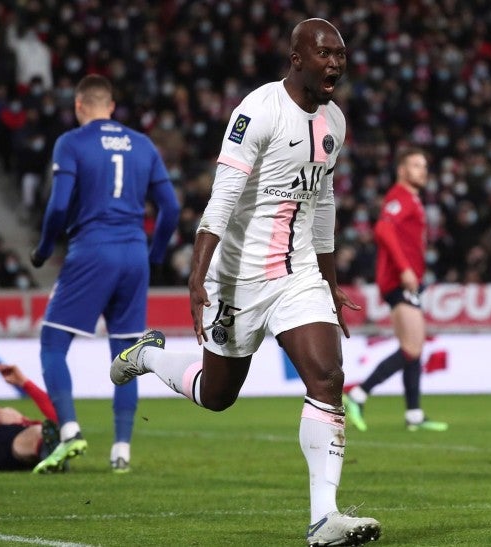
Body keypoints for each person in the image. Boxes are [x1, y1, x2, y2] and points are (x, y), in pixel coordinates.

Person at [110, 18, 380, 547]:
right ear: (296, 57)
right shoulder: (258, 111)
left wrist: (327, 279)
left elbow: (321, 201)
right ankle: (145, 356)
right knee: (217, 395)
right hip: (237, 276)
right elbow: (223, 196)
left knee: (327, 376)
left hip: (296, 272)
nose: (335, 64)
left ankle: (324, 520)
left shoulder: (336, 122)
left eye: (341, 55)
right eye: (324, 54)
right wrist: (196, 275)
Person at [29, 74, 180, 474]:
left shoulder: (72, 142)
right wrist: (157, 255)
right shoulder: (143, 144)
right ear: (111, 106)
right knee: (127, 356)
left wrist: (45, 248)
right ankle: (121, 452)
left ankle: (70, 431)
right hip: (134, 255)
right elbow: (171, 208)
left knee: (52, 342)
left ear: (79, 106)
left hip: (92, 250)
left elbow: (59, 207)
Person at [343, 148, 448, 433]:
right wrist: (404, 268)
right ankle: (358, 394)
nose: (422, 170)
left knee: (414, 346)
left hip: (403, 281)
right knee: (412, 347)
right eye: (416, 165)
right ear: (402, 170)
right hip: (399, 281)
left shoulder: (410, 198)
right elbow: (383, 229)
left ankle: (414, 414)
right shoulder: (400, 198)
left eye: (424, 165)